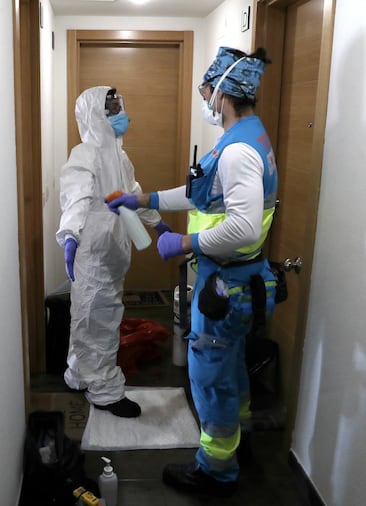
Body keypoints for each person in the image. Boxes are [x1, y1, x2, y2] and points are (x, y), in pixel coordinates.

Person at [107, 47, 278, 496]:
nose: (204, 97)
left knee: (210, 378)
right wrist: (145, 201)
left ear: (222, 93)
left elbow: (240, 227)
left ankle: (216, 470)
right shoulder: (248, 136)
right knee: (232, 368)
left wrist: (183, 243)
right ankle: (239, 442)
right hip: (241, 278)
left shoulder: (239, 150)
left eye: (206, 89)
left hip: (229, 283)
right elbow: (204, 193)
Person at [56, 86, 171, 418]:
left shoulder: (119, 156)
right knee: (99, 319)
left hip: (112, 249)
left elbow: (131, 193)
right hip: (92, 251)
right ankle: (105, 391)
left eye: (120, 105)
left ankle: (78, 375)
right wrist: (70, 235)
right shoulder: (85, 153)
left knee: (90, 317)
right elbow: (75, 196)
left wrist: (158, 222)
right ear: (95, 114)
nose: (120, 113)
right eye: (111, 108)